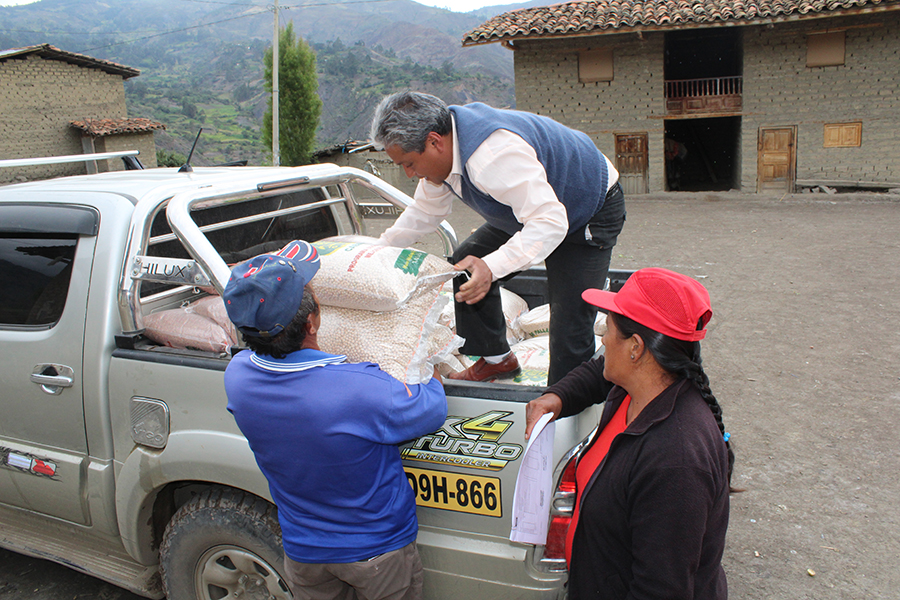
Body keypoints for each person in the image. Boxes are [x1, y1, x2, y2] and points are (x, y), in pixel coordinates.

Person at [222, 240, 448, 600]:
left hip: (304, 552)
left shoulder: (238, 377)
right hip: (377, 552)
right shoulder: (359, 388)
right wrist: (431, 365)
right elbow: (432, 406)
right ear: (312, 323)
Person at [370, 91, 626, 385]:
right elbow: (426, 211)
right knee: (466, 266)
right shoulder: (443, 153)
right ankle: (497, 360)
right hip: (531, 208)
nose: (410, 173)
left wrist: (491, 267)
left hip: (586, 208)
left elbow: (550, 222)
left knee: (569, 322)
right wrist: (379, 249)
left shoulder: (491, 156)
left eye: (409, 163)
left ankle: (564, 407)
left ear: (434, 142)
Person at [524, 268, 733, 600]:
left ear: (636, 348)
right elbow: (600, 372)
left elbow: (661, 589)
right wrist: (559, 396)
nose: (602, 341)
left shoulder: (675, 463)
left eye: (607, 330)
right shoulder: (643, 385)